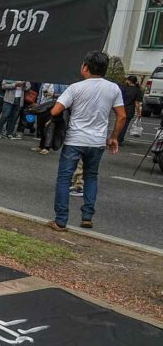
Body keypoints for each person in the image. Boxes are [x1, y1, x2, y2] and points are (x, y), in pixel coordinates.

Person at [47, 51, 125, 231]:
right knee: (91, 176)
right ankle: (87, 216)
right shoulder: (113, 88)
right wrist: (113, 137)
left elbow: (55, 110)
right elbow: (121, 116)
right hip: (97, 141)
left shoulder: (75, 88)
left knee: (64, 178)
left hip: (75, 139)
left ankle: (61, 220)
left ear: (85, 67)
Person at [117, 75, 142, 146]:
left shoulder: (124, 88)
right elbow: (137, 103)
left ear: (129, 81)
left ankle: (115, 137)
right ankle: (119, 140)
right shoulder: (137, 90)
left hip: (121, 108)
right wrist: (139, 113)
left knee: (118, 124)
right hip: (130, 110)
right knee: (125, 126)